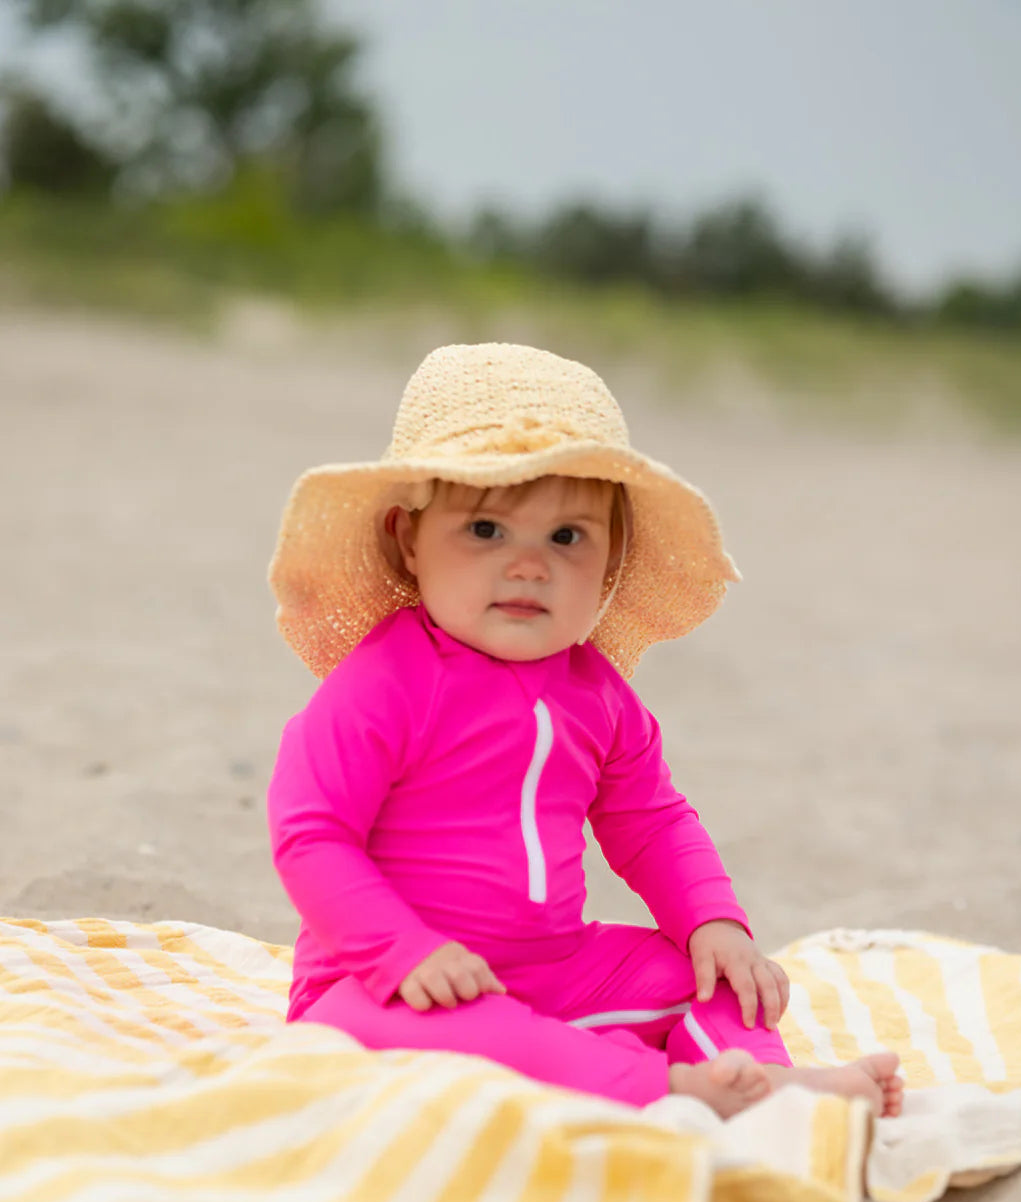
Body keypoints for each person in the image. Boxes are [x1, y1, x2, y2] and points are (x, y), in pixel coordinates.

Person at [267, 342, 903, 1119]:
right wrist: (405, 951)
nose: (529, 566)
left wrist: (711, 920)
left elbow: (650, 820)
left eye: (566, 537)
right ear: (407, 538)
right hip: (381, 982)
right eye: (486, 529)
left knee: (706, 973)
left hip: (552, 968)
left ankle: (763, 1083)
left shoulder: (597, 695)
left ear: (610, 560)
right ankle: (668, 1089)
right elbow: (311, 836)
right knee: (444, 1028)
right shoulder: (382, 683)